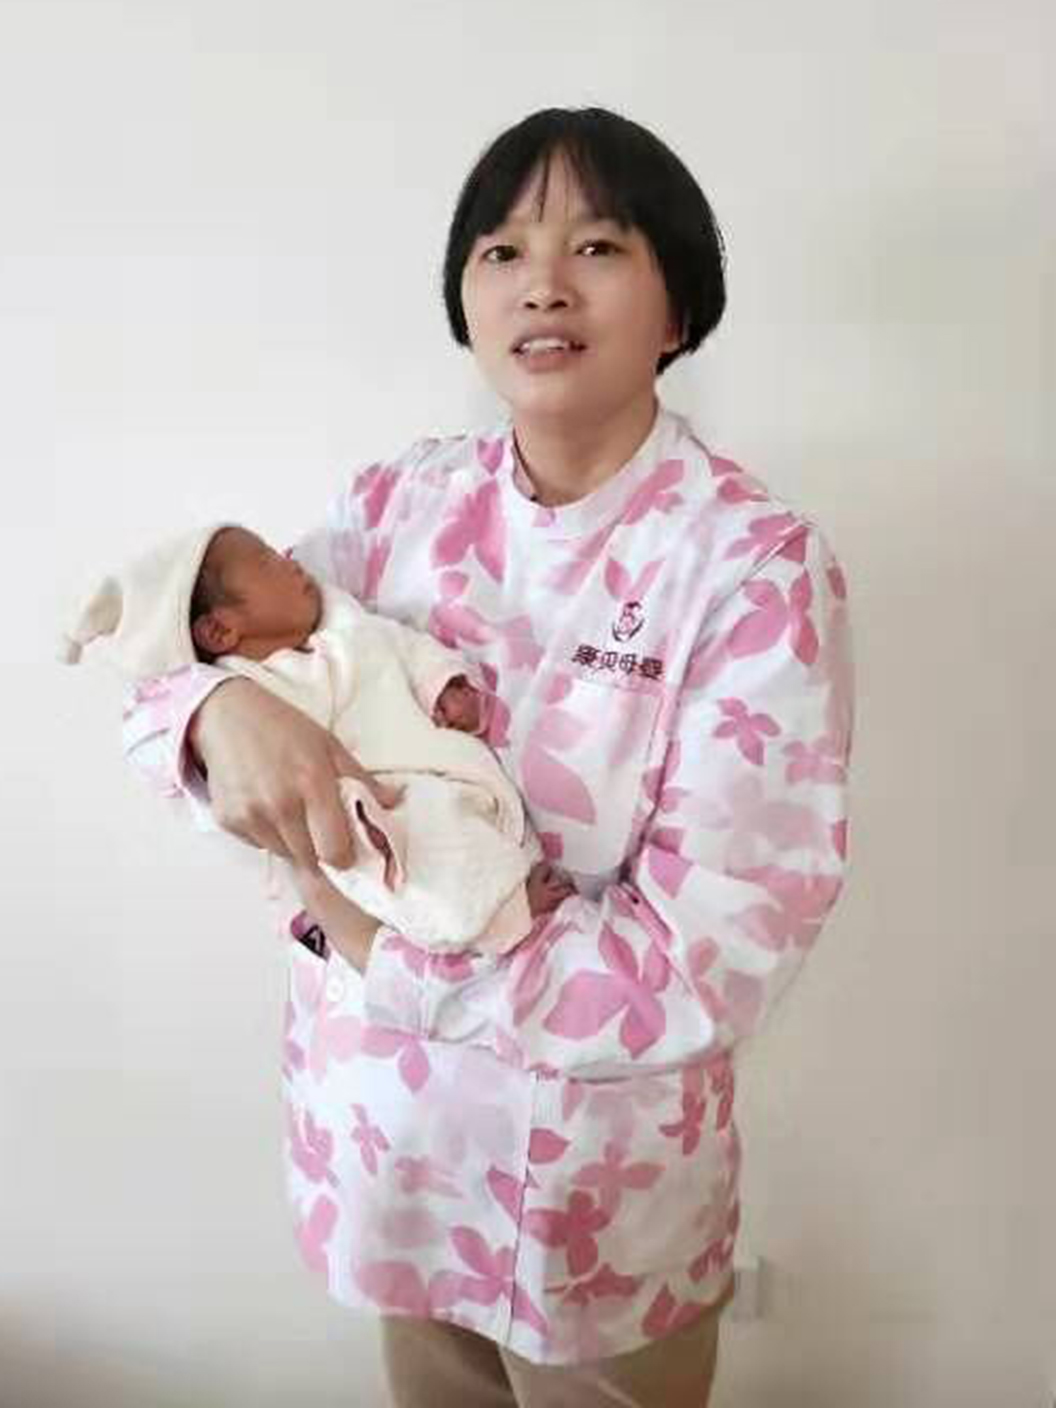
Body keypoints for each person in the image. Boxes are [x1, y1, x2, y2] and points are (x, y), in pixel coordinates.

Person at [120, 107, 854, 1407]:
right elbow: (176, 648)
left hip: (595, 1204)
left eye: (598, 246)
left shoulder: (750, 565)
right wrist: (212, 713)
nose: (543, 284)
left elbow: (700, 961)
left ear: (680, 306)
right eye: (502, 251)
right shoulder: (395, 506)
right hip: (390, 1152)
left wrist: (377, 944)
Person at [63, 522, 575, 954]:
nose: (288, 561)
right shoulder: (249, 690)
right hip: (370, 814)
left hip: (434, 767)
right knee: (425, 841)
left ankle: (503, 887)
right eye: (266, 561)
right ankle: (499, 921)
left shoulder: (349, 630)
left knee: (459, 815)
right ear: (220, 632)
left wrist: (445, 684)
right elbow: (199, 775)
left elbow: (408, 648)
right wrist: (209, 713)